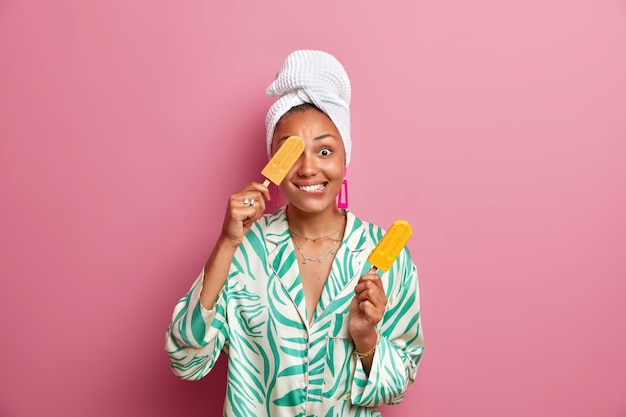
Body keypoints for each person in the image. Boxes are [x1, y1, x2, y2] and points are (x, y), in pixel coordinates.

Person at [165, 50, 424, 416]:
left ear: (344, 157)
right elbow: (187, 360)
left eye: (324, 150)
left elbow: (396, 387)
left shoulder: (385, 253)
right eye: (291, 151)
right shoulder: (245, 250)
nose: (307, 168)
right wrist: (227, 243)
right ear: (273, 159)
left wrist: (366, 337)